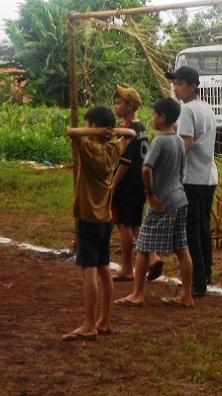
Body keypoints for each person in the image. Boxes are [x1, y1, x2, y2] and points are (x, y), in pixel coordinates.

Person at [62, 106, 136, 341]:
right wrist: (110, 133)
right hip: (105, 219)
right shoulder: (113, 149)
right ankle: (104, 320)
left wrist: (97, 131)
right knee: (104, 270)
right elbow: (131, 134)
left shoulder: (88, 147)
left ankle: (89, 324)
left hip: (89, 220)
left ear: (92, 127)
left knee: (90, 272)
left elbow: (71, 132)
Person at [114, 97, 194, 308]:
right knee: (182, 248)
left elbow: (146, 168)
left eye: (155, 115)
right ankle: (187, 295)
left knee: (143, 248)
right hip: (179, 199)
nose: (153, 119)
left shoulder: (159, 141)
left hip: (161, 202)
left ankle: (137, 294)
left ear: (163, 117)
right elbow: (182, 173)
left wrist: (150, 193)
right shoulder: (179, 140)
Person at [166, 66, 218, 298]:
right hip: (209, 176)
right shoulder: (206, 108)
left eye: (180, 84)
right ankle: (206, 271)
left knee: (191, 229)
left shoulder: (186, 110)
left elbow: (186, 145)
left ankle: (197, 282)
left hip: (192, 177)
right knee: (203, 226)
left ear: (193, 86)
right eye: (174, 83)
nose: (175, 88)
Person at [111, 85, 163, 282]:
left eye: (119, 103)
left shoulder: (128, 129)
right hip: (140, 183)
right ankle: (152, 257)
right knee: (135, 225)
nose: (116, 106)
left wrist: (114, 184)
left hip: (127, 184)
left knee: (123, 224)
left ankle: (126, 267)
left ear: (130, 106)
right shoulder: (140, 128)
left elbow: (124, 162)